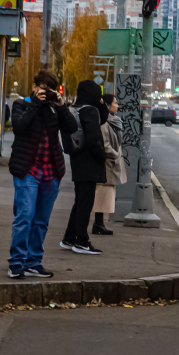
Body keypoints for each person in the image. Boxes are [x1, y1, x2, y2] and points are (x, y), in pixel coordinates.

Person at [6, 70, 78, 279]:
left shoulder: (54, 109)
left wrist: (60, 105)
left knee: (41, 221)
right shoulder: (22, 104)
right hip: (27, 171)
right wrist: (37, 104)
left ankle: (33, 262)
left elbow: (71, 127)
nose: (46, 93)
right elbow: (19, 127)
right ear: (34, 87)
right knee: (25, 217)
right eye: (43, 88)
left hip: (50, 173)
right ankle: (17, 262)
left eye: (50, 90)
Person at [61, 80, 107, 255]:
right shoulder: (90, 111)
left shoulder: (78, 108)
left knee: (80, 201)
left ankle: (69, 238)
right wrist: (102, 156)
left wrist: (100, 103)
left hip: (78, 160)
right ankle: (82, 241)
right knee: (85, 203)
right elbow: (94, 138)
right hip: (90, 163)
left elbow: (102, 118)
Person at [93, 92, 124, 236]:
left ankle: (100, 223)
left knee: (106, 194)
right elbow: (105, 144)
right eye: (115, 103)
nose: (117, 105)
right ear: (108, 105)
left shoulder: (113, 120)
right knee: (103, 194)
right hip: (107, 163)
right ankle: (98, 224)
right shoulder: (104, 122)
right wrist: (116, 154)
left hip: (111, 163)